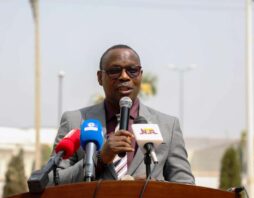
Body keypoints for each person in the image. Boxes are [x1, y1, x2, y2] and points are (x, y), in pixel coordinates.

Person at [49, 44, 195, 184]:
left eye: (132, 70)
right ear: (100, 77)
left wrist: (156, 188)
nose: (124, 76)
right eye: (114, 70)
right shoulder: (75, 121)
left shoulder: (168, 126)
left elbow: (186, 186)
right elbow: (50, 182)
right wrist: (99, 159)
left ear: (140, 75)